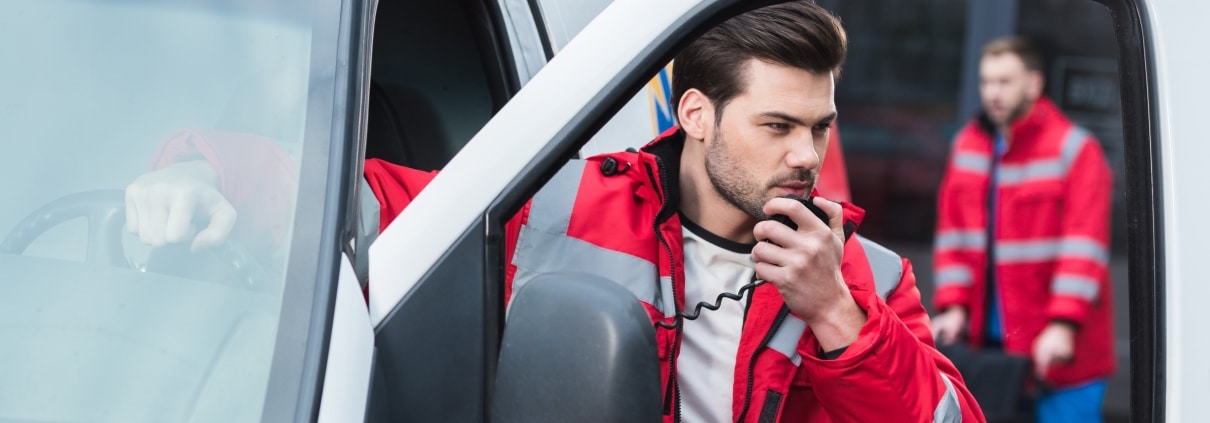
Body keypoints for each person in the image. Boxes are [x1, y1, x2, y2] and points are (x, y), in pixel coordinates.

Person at [126, 2, 984, 421]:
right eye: (778, 126)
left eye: (820, 127)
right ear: (694, 117)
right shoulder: (563, 201)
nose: (808, 153)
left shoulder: (868, 277)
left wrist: (838, 316)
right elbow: (370, 205)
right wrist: (205, 173)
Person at [930, 35, 1115, 422]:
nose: (992, 92)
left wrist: (1063, 324)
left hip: (1061, 350)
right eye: (986, 82)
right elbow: (954, 237)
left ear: (1034, 84)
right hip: (991, 346)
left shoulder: (1074, 148)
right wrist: (953, 306)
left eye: (1004, 81)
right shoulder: (968, 145)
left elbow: (1084, 248)